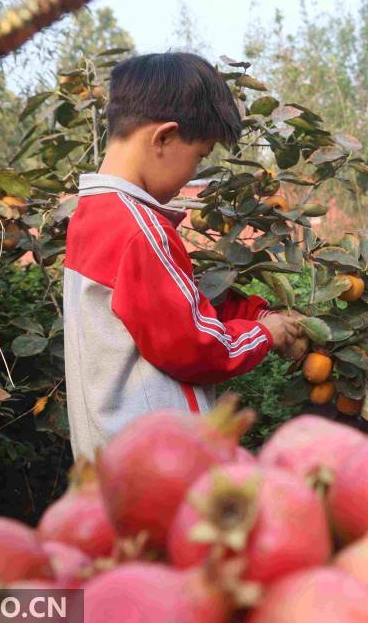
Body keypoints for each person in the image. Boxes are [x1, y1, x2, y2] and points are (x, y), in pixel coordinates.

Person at [63, 52, 301, 461]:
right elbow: (192, 345)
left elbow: (166, 311)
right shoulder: (138, 229)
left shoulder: (93, 215)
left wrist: (253, 312)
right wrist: (269, 333)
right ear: (164, 138)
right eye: (200, 155)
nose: (195, 172)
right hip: (162, 467)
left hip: (115, 457)